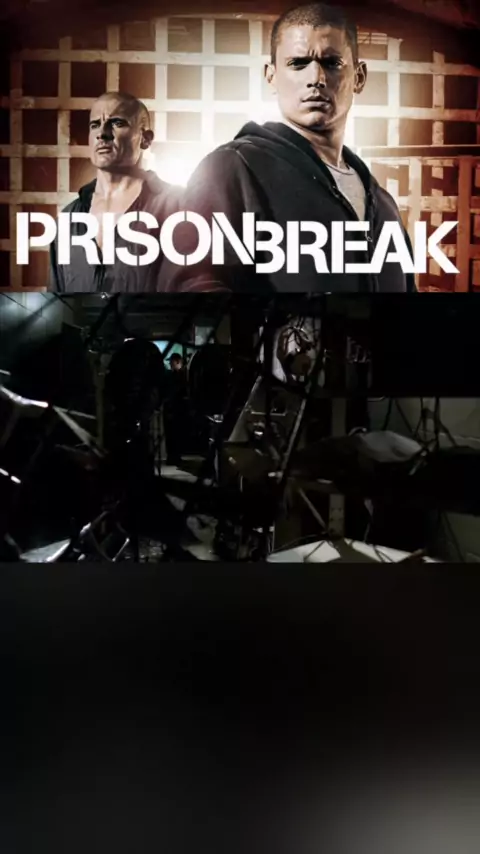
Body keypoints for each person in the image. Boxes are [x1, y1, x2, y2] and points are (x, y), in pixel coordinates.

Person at [159, 3, 415, 294]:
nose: (316, 78)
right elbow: (193, 285)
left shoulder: (382, 202)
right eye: (298, 63)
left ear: (359, 77)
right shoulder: (232, 168)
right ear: (271, 76)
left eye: (332, 63)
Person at [49, 91, 180, 292]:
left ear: (145, 139)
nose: (102, 133)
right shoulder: (67, 219)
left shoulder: (176, 208)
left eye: (117, 123)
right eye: (95, 125)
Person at [163, 353, 188, 467]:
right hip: (173, 409)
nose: (170, 363)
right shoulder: (178, 375)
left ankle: (175, 456)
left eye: (171, 361)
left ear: (177, 362)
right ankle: (173, 456)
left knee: (175, 434)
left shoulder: (181, 376)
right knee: (172, 434)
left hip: (175, 409)